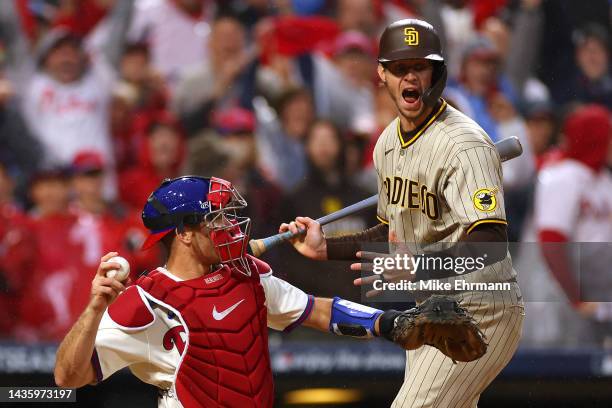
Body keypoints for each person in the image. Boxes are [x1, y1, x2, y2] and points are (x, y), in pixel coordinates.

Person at [281, 19, 524, 407]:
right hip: (431, 311)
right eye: (399, 67)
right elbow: (388, 229)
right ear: (382, 74)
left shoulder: (465, 145)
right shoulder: (387, 145)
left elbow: (490, 243)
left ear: (437, 73)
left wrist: (420, 267)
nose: (409, 76)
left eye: (420, 66)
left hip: (482, 308)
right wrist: (326, 246)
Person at [54, 175, 437, 407]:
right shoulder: (146, 301)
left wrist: (392, 323)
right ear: (184, 232)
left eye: (230, 215)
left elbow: (316, 311)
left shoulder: (245, 274)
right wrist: (92, 311)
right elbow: (68, 378)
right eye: (217, 218)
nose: (232, 226)